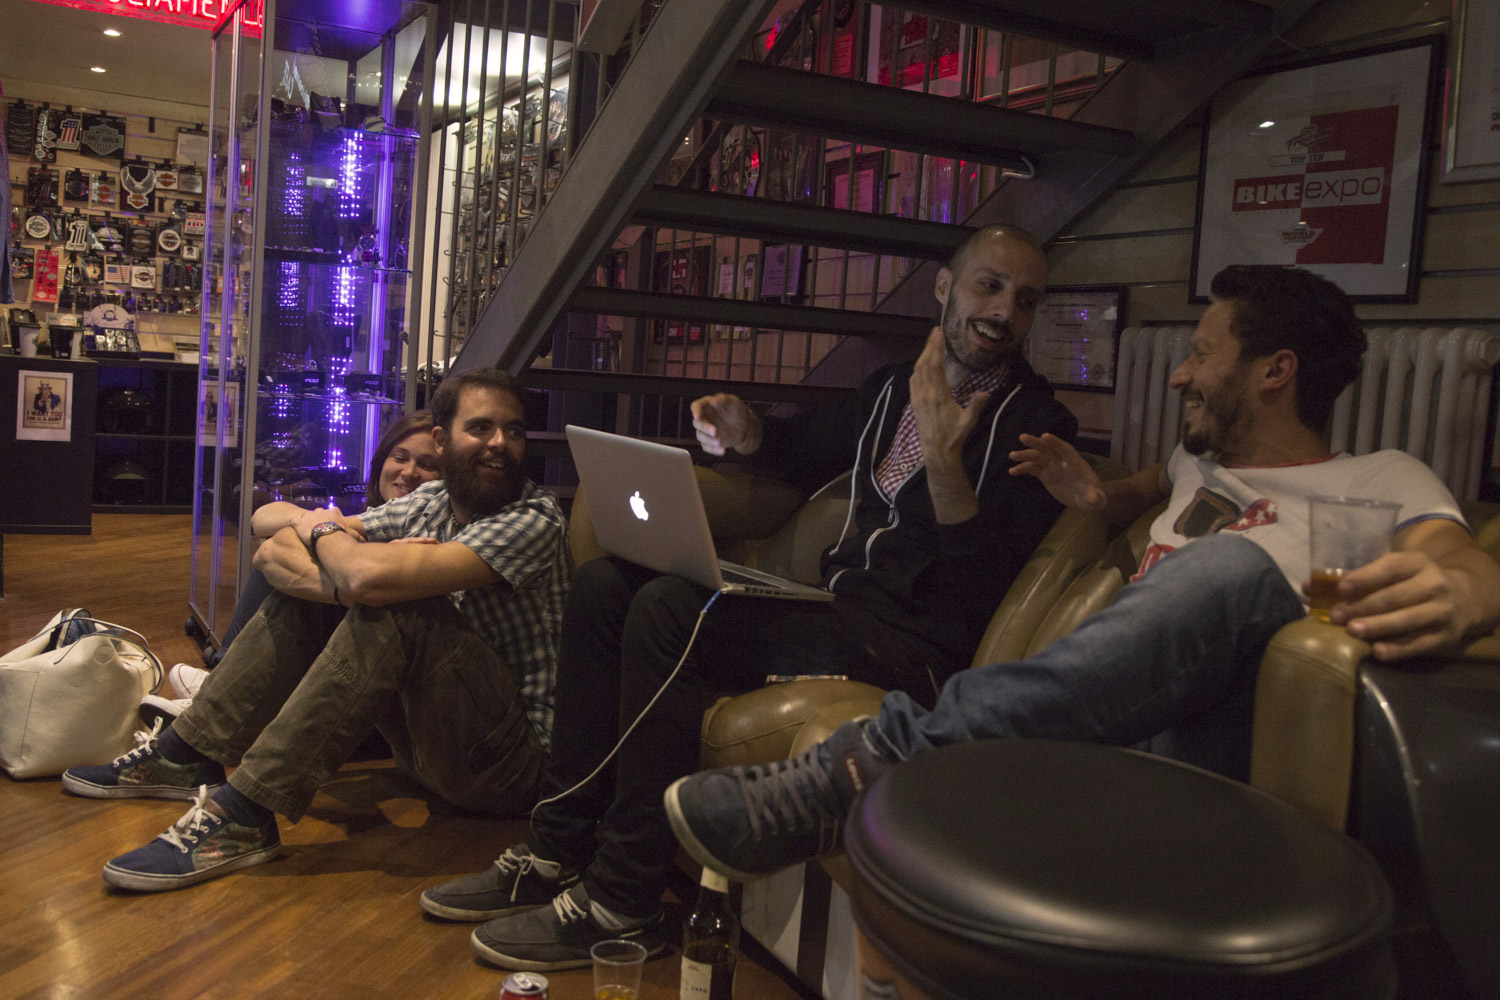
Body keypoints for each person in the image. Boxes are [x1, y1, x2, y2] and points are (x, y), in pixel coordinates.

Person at [663, 264, 1500, 883]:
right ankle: (894, 767)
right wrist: (1101, 496)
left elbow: (1463, 559)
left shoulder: (1383, 478)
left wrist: (1463, 593)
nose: (1178, 375)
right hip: (1101, 717)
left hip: (1210, 738)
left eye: (1200, 355)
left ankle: (869, 764)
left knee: (1232, 566)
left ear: (1275, 372)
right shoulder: (1194, 463)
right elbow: (1139, 487)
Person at [427, 225, 1078, 971]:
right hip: (834, 607)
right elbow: (804, 449)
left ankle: (624, 900)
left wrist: (942, 458)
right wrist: (747, 430)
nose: (1004, 312)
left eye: (1026, 300)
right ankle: (555, 849)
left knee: (672, 608)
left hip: (915, 647)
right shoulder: (893, 387)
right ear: (945, 288)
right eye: (989, 286)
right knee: (607, 584)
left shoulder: (1038, 426)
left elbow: (982, 583)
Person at [61, 369, 570, 892]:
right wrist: (338, 561)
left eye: (513, 430)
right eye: (481, 428)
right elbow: (272, 550)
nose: (500, 443)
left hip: (509, 769)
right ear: (443, 439)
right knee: (324, 590)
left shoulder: (534, 518)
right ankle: (187, 754)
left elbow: (363, 575)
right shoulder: (432, 501)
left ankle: (245, 811)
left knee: (400, 605)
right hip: (430, 745)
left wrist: (339, 550)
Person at [148, 410, 441, 724]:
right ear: (382, 461)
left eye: (427, 465)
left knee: (297, 577)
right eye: (400, 458)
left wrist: (330, 564)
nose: (409, 472)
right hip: (339, 660)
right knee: (292, 559)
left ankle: (219, 688)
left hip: (386, 683)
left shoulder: (432, 527)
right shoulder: (373, 519)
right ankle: (220, 689)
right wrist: (312, 527)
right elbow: (263, 527)